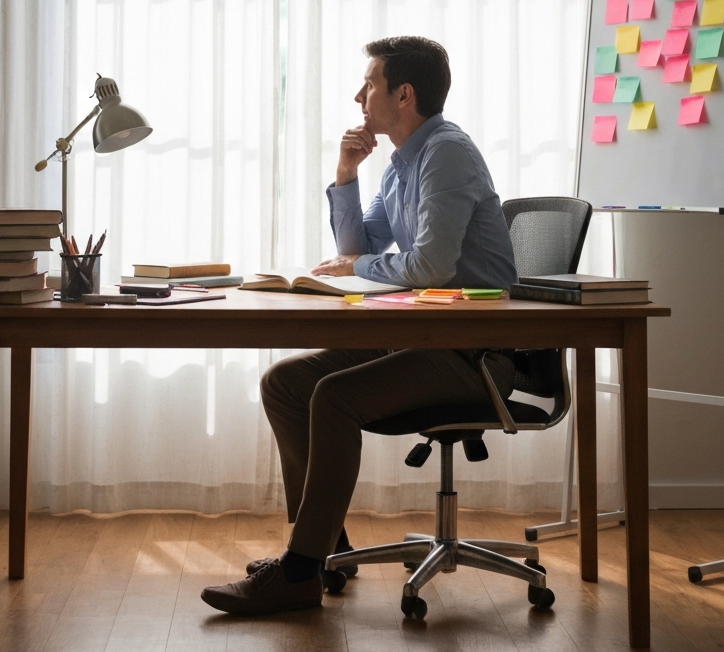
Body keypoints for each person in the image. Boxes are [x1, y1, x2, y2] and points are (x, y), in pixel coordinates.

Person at [201, 36, 518, 615]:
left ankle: (299, 570)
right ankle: (321, 548)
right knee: (285, 384)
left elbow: (428, 267)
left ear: (403, 94)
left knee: (334, 397)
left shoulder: (445, 152)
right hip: (424, 339)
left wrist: (359, 266)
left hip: (473, 354)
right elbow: (361, 245)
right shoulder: (402, 162)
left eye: (368, 83)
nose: (357, 95)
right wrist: (346, 174)